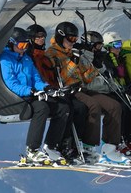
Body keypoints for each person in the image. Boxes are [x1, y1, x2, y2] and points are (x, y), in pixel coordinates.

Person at [45, 22, 130, 165]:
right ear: (60, 37)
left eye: (75, 40)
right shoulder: (52, 53)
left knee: (114, 106)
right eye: (70, 39)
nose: (73, 42)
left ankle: (109, 148)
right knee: (93, 106)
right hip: (69, 89)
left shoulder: (72, 52)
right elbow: (62, 78)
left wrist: (95, 67)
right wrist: (73, 62)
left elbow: (86, 77)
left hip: (82, 87)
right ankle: (87, 147)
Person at [0, 27, 70, 164]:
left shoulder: (26, 59)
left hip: (31, 94)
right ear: (11, 43)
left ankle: (51, 146)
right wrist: (31, 91)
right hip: (17, 98)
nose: (24, 48)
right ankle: (32, 150)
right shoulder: (5, 60)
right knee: (42, 107)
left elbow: (36, 79)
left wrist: (47, 88)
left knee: (62, 106)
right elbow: (11, 84)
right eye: (21, 45)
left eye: (26, 45)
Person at [26, 24, 87, 162]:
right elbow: (40, 77)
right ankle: (59, 145)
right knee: (67, 106)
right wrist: (47, 88)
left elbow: (52, 74)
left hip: (50, 88)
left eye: (43, 36)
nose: (41, 39)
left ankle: (65, 145)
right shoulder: (33, 56)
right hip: (40, 92)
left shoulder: (43, 55)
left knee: (74, 107)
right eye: (37, 37)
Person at [81, 31, 131, 156]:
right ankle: (111, 143)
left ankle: (127, 139)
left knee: (130, 103)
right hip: (91, 91)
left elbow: (106, 76)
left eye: (100, 45)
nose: (99, 48)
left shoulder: (98, 56)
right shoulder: (83, 57)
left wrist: (118, 87)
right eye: (97, 45)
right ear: (89, 45)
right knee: (115, 106)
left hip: (103, 89)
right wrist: (108, 85)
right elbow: (87, 82)